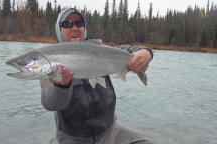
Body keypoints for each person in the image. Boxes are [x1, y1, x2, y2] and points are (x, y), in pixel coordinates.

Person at [41, 8, 162, 144]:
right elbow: (50, 103)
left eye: (79, 23)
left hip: (109, 132)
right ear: (59, 30)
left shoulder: (101, 52)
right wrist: (61, 86)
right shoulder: (51, 61)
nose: (74, 28)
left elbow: (130, 51)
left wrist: (146, 53)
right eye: (67, 24)